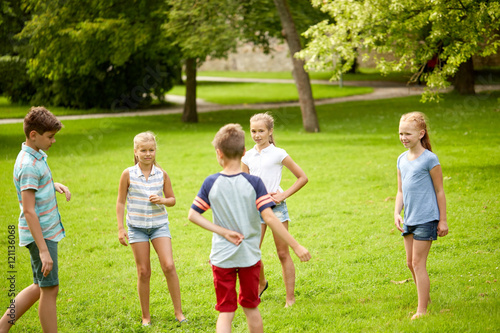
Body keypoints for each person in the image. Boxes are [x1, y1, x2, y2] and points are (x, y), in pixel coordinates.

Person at [188, 124, 311, 333]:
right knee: (251, 309)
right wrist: (296, 246)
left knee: (226, 312)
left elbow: (193, 215)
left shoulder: (211, 182)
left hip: (221, 257)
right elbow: (270, 218)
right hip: (248, 257)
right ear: (244, 153)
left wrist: (222, 231)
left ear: (219, 154)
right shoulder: (254, 183)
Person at [0, 107, 71, 333]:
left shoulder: (34, 156)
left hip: (43, 232)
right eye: (50, 136)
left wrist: (52, 185)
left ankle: (2, 326)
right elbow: (29, 211)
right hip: (41, 234)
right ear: (33, 135)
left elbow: (34, 188)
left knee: (39, 286)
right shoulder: (28, 165)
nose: (54, 141)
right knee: (50, 289)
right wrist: (43, 250)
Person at [116, 131, 186, 326]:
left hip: (159, 226)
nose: (148, 154)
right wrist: (121, 228)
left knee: (169, 266)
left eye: (151, 150)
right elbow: (121, 202)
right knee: (144, 271)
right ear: (136, 152)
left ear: (156, 151)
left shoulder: (161, 174)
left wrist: (162, 200)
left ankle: (179, 313)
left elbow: (172, 200)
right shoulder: (128, 174)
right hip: (136, 228)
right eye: (144, 150)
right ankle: (146, 316)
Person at [241, 112, 308, 307]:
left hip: (277, 208)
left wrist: (283, 195)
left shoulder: (279, 153)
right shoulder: (248, 156)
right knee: (252, 251)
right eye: (253, 131)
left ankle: (290, 298)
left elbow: (302, 177)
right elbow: (245, 183)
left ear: (270, 131)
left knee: (282, 253)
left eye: (261, 131)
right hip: (256, 210)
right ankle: (261, 282)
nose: (257, 135)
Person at [394, 112, 449, 320]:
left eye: (408, 133)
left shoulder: (430, 159)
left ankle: (422, 311)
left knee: (418, 263)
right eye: (400, 133)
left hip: (426, 218)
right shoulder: (401, 159)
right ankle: (424, 299)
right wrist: (396, 212)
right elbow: (400, 191)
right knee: (410, 263)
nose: (403, 137)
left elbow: (440, 191)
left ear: (421, 133)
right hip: (409, 218)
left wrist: (442, 220)